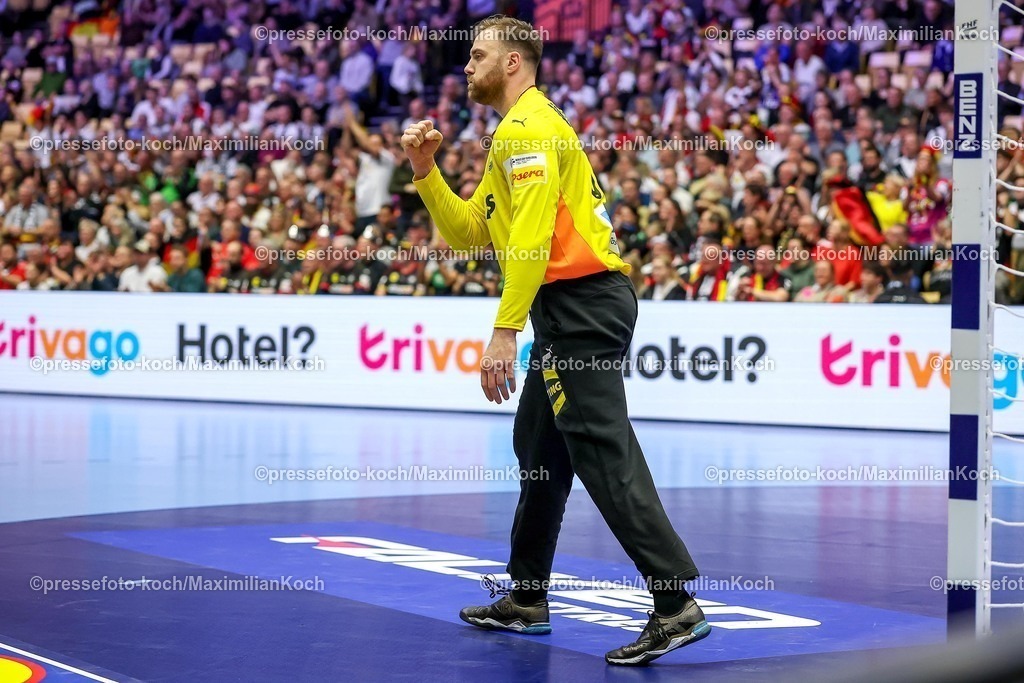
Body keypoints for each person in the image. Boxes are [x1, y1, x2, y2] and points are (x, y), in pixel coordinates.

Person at [402, 16, 709, 667]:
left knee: (601, 450)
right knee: (539, 445)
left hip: (580, 306)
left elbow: (532, 240)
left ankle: (675, 602)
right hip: (568, 308)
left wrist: (503, 330)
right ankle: (527, 596)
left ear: (513, 62)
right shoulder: (512, 132)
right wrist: (426, 172)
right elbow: (469, 231)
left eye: (478, 55)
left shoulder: (530, 131)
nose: (466, 66)